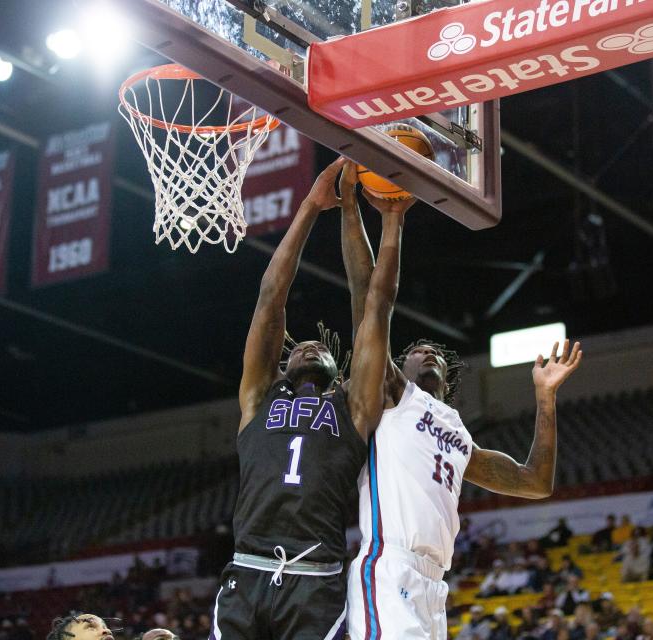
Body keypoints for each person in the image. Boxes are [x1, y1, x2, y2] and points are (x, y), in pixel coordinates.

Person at [339, 162, 583, 640]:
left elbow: (535, 482)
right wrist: (363, 212)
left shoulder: (457, 437)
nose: (425, 351)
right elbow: (367, 299)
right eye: (412, 351)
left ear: (447, 382)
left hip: (434, 586)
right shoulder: (391, 395)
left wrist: (545, 399)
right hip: (390, 567)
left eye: (433, 352)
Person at [212, 158, 396, 639]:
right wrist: (310, 207)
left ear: (341, 374)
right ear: (282, 366)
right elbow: (271, 297)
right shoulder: (258, 396)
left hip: (316, 579)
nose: (309, 347)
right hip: (249, 568)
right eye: (298, 347)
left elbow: (373, 306)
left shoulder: (353, 407)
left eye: (322, 350)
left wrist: (369, 216)